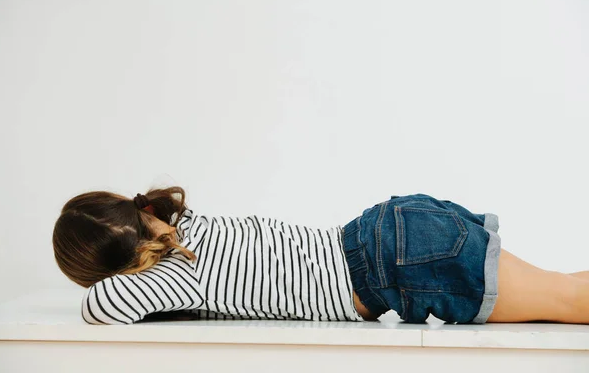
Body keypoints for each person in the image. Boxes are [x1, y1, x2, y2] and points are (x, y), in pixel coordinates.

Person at [52, 186, 589, 325]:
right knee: (565, 291)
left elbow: (100, 308)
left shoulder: (178, 275)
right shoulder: (190, 226)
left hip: (392, 267)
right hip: (388, 230)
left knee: (567, 301)